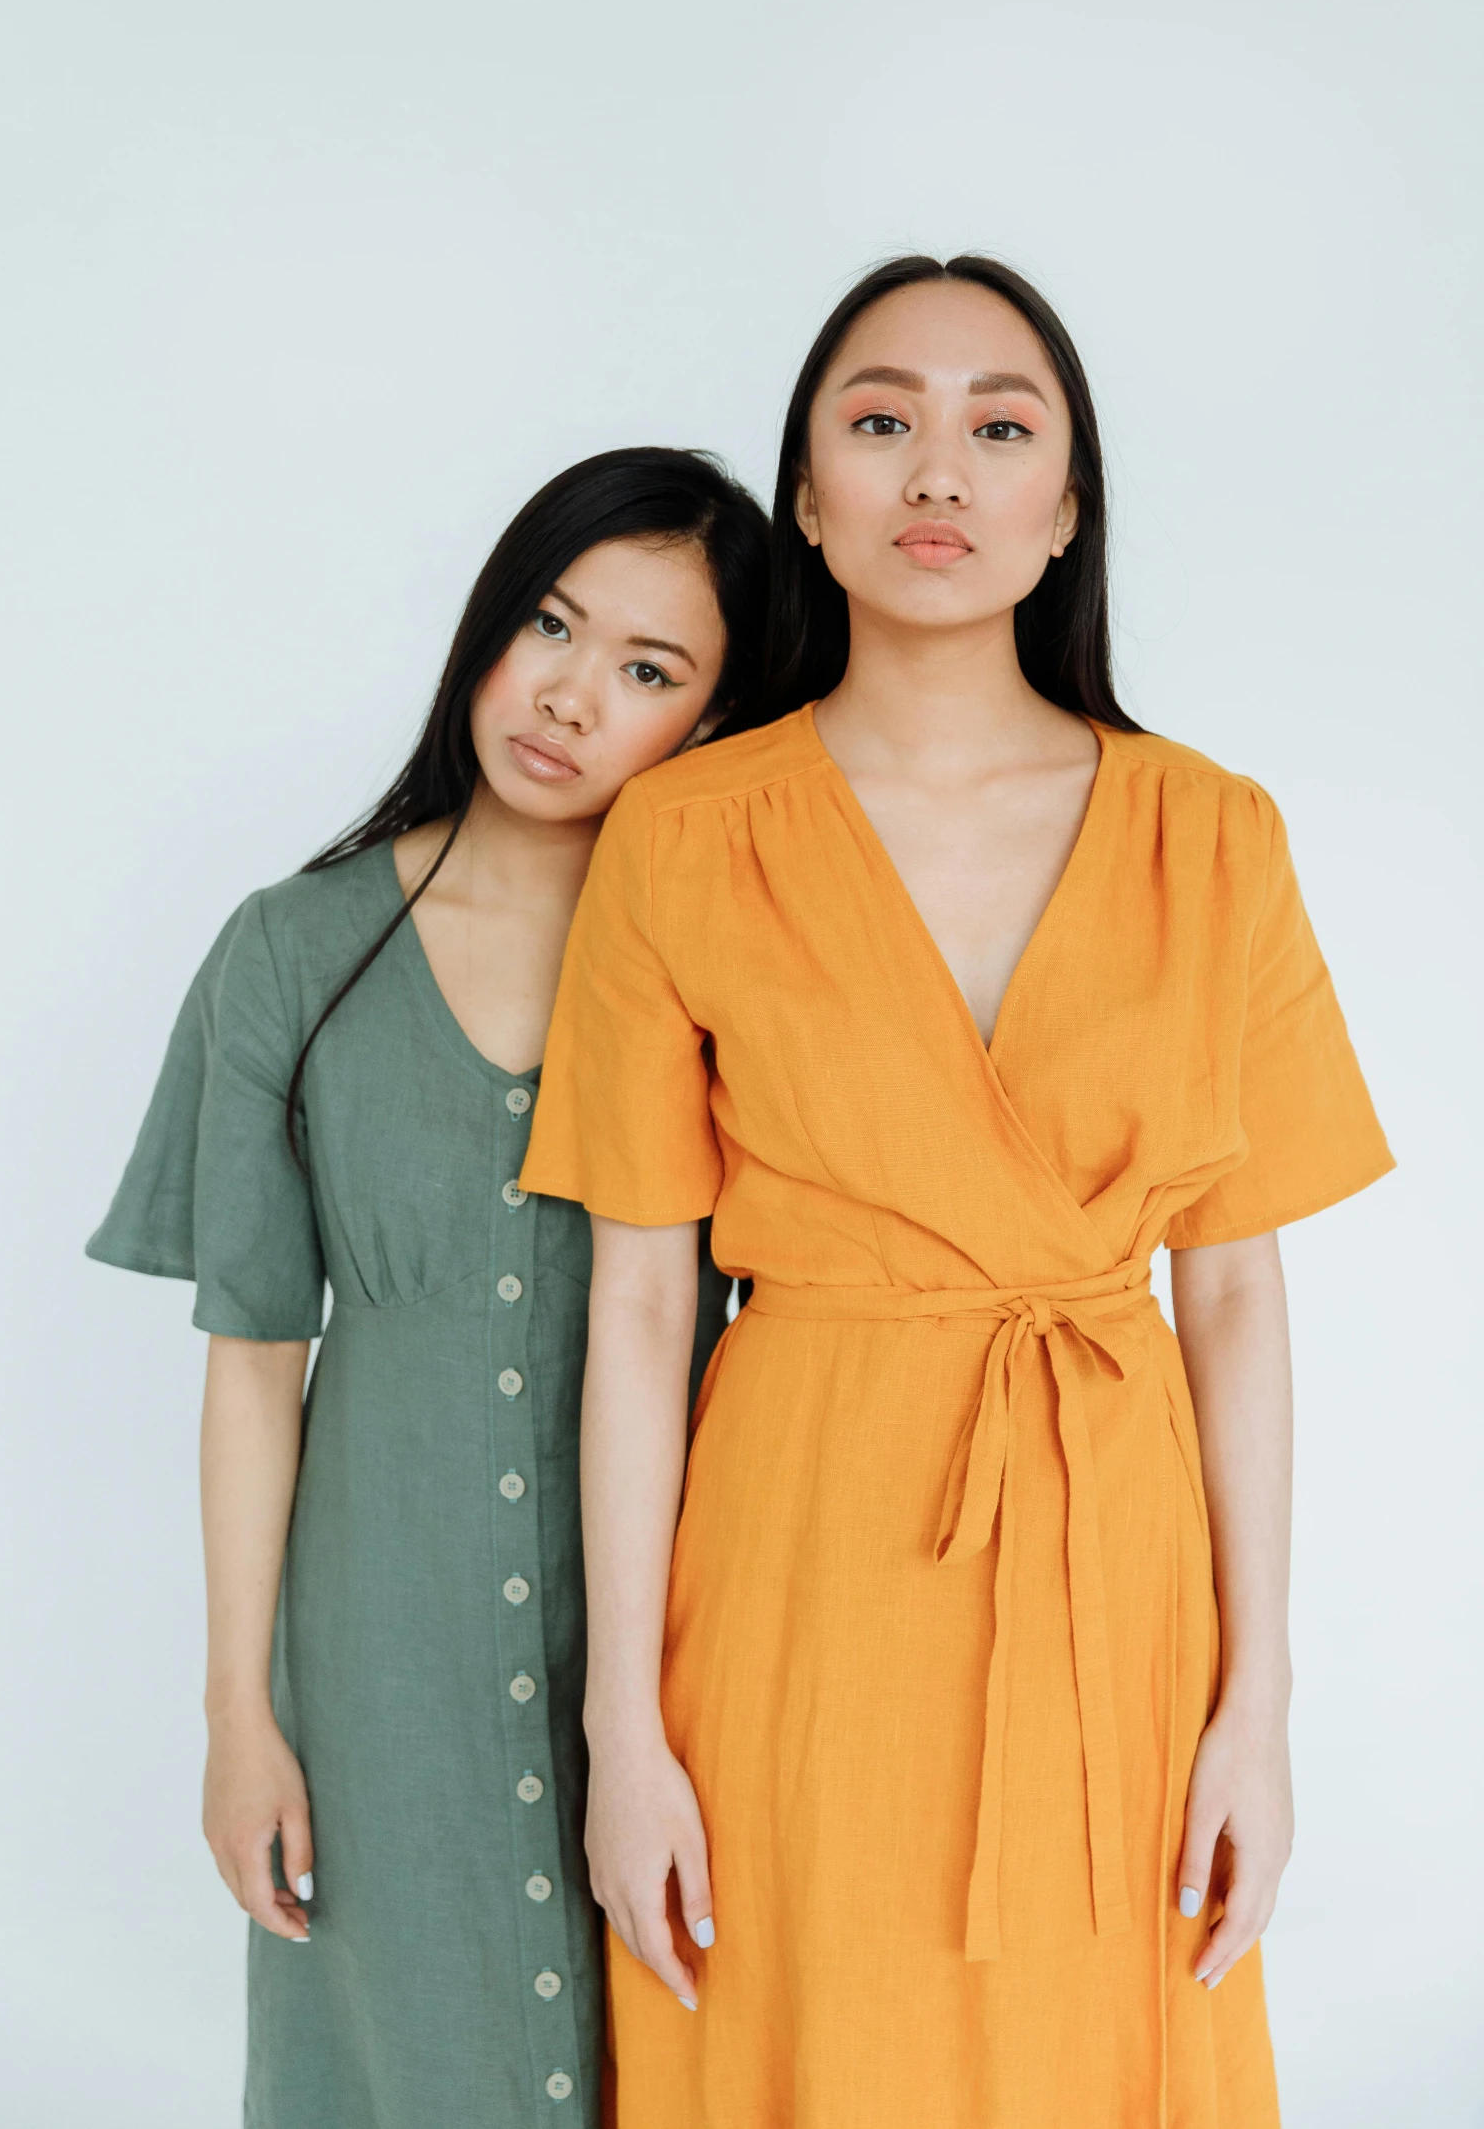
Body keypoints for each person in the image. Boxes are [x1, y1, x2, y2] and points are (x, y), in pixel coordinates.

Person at [519, 259, 1394, 2127]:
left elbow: (1232, 1293)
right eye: (880, 418)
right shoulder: (683, 834)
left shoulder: (1210, 834)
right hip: (795, 1573)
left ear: (1063, 507)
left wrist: (1259, 1706)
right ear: (812, 497)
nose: (939, 467)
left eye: (1000, 426)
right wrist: (623, 1737)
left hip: (1118, 1582)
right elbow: (643, 1301)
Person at [86, 447, 776, 2129]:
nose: (564, 694)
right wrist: (237, 1714)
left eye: (645, 670)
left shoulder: (743, 964)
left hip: (696, 1645)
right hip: (374, 1654)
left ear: (714, 716)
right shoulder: (290, 953)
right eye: (549, 621)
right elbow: (252, 1361)